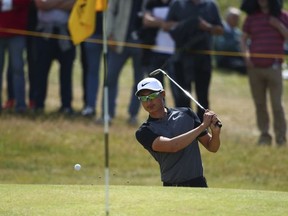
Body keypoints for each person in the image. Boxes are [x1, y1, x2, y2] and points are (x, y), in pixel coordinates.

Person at [135, 77, 221, 187]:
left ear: (163, 94)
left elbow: (212, 147)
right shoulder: (144, 131)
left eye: (152, 96)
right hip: (172, 187)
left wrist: (216, 133)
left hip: (198, 184)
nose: (148, 101)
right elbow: (172, 146)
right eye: (143, 98)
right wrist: (203, 126)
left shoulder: (187, 114)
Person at [162, 0, 224, 120]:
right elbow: (165, 26)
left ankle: (202, 130)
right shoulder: (177, 4)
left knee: (202, 97)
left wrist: (207, 27)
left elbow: (220, 30)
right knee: (181, 98)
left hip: (203, 59)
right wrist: (187, 24)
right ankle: (183, 128)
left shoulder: (211, 5)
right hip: (181, 58)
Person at [240, 0, 287, 146]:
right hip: (255, 68)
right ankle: (264, 136)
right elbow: (243, 39)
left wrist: (278, 25)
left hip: (274, 67)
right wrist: (246, 57)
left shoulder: (282, 16)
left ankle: (280, 138)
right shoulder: (251, 17)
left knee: (276, 104)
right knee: (260, 103)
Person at [97, 0, 145, 125]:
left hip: (142, 43)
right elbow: (110, 11)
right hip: (118, 40)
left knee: (140, 83)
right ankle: (106, 114)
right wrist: (109, 34)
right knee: (110, 78)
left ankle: (133, 115)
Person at [33, 0, 76, 115]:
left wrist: (51, 4)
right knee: (41, 70)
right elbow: (41, 5)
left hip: (66, 33)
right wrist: (62, 3)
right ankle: (38, 105)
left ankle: (66, 105)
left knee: (66, 72)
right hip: (45, 33)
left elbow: (75, 4)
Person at [142, 0, 178, 105]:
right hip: (154, 53)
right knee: (155, 92)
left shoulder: (178, 3)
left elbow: (184, 21)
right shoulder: (151, 2)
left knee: (178, 91)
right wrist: (163, 23)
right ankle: (160, 119)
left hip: (175, 53)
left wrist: (166, 24)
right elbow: (147, 20)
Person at [0, 0, 31, 113]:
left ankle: (20, 105)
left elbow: (24, 2)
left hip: (17, 33)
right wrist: (10, 4)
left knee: (18, 69)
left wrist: (6, 3)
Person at [80, 11, 103, 117]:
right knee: (92, 71)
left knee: (111, 75)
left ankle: (107, 111)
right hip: (92, 33)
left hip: (112, 35)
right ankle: (90, 106)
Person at [213, 7, 247, 75]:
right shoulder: (220, 29)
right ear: (227, 17)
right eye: (234, 17)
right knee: (242, 66)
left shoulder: (237, 32)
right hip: (224, 58)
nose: (236, 20)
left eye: (237, 18)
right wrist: (236, 42)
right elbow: (220, 46)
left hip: (237, 56)